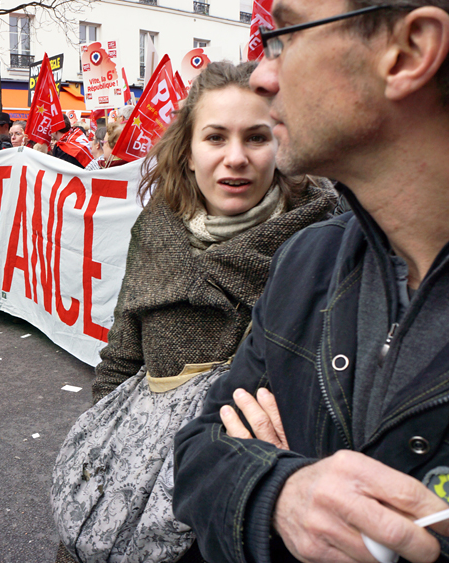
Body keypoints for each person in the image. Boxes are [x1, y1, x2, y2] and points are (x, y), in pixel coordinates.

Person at [173, 3, 449, 563]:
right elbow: (199, 453)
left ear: (411, 51)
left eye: (283, 38)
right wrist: (278, 493)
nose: (261, 74)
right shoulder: (309, 259)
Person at [54, 60, 337, 563]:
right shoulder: (156, 229)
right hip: (137, 490)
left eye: (256, 137)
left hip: (257, 509)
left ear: (282, 146)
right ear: (187, 152)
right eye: (215, 138)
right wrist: (112, 455)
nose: (235, 158)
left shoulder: (328, 240)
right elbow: (122, 356)